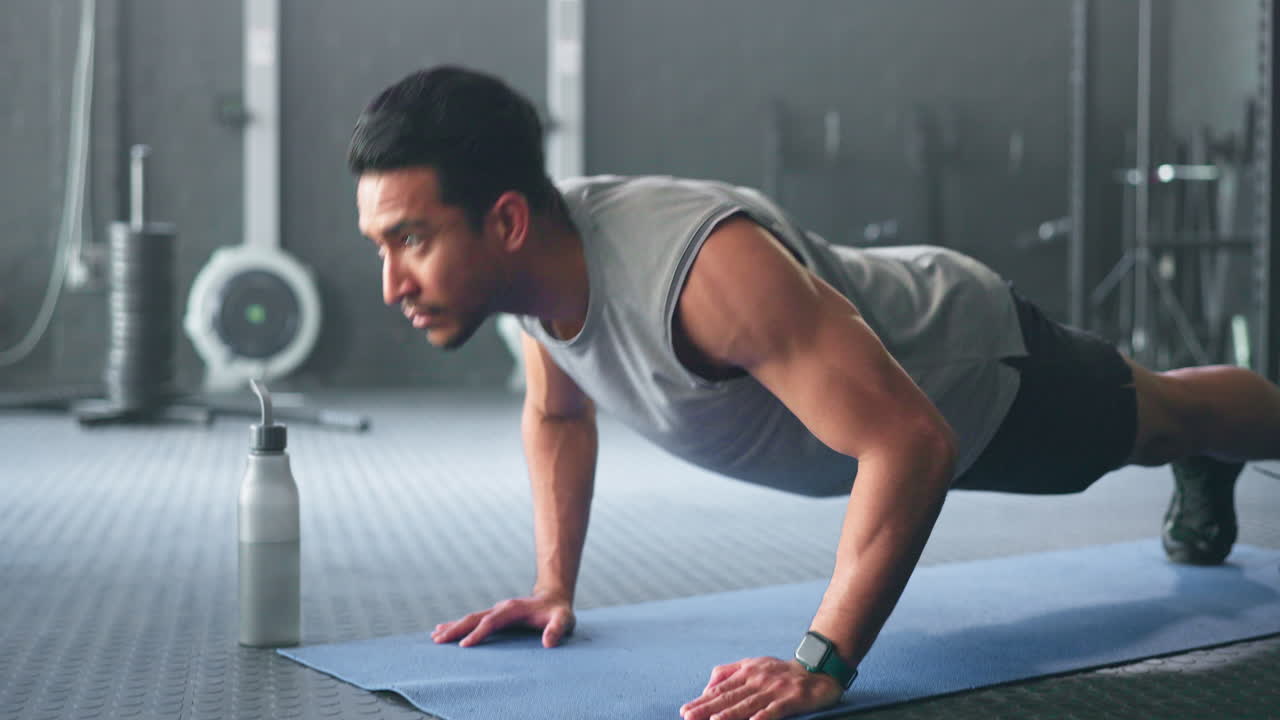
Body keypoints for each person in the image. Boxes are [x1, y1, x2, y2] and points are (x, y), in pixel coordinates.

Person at [349, 66, 1280, 720]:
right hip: (887, 399)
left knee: (1162, 417)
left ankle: (1209, 442)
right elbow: (557, 410)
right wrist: (554, 586)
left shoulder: (701, 269)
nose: (392, 281)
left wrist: (822, 662)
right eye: (380, 247)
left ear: (504, 220)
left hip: (967, 366)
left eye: (411, 240)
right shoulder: (534, 273)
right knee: (1161, 420)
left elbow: (910, 443)